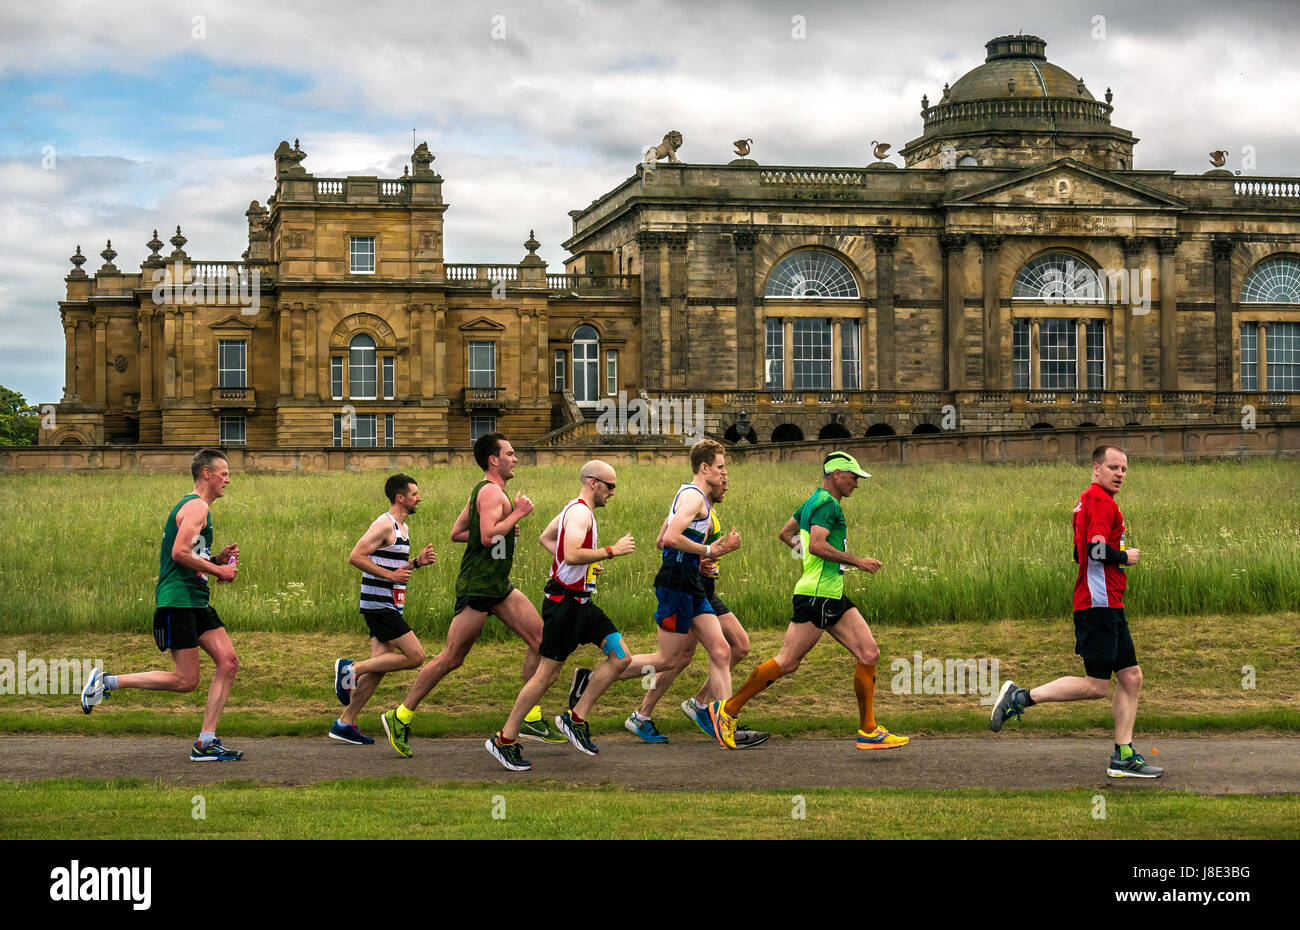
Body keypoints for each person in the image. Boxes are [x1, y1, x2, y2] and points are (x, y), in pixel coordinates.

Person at [709, 451, 909, 752]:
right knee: (788, 661)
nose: (857, 484)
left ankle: (869, 730)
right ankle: (727, 711)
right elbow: (816, 545)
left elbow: (785, 533)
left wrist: (812, 564)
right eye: (854, 478)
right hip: (818, 595)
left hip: (829, 593)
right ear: (837, 474)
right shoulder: (828, 504)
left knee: (869, 653)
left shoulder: (813, 500)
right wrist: (857, 561)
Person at [379, 432, 563, 757]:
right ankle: (400, 716)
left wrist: (507, 523)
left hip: (497, 587)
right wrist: (517, 514)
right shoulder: (491, 493)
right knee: (452, 657)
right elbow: (489, 536)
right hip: (478, 587)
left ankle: (531, 718)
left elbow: (459, 533)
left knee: (541, 640)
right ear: (494, 460)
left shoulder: (483, 491)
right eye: (509, 453)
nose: (515, 458)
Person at [990, 444, 1162, 778]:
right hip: (1099, 605)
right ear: (1096, 468)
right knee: (1096, 686)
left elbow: (1077, 553)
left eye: (1125, 469)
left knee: (1131, 677)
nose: (1120, 474)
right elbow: (1095, 551)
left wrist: (1110, 556)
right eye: (1114, 467)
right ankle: (1019, 697)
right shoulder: (1099, 501)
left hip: (1108, 602)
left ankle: (1123, 757)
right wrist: (1124, 557)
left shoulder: (1086, 502)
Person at [79, 449, 244, 761]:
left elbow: (190, 555)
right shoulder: (196, 507)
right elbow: (179, 553)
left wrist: (215, 559)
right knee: (185, 681)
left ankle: (205, 744)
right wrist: (220, 570)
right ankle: (108, 682)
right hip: (178, 602)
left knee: (229, 662)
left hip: (195, 601)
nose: (228, 479)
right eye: (223, 473)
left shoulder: (197, 507)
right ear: (206, 474)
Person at [590, 468, 769, 747]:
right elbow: (667, 542)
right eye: (723, 478)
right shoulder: (693, 502)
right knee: (674, 658)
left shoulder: (704, 509)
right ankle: (615, 693)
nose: (727, 484)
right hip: (685, 588)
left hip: (700, 589)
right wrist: (713, 552)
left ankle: (709, 713)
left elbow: (670, 542)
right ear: (708, 476)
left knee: (730, 648)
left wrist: (704, 563)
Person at [486, 461, 636, 770]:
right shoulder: (580, 512)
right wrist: (611, 551)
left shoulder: (573, 509)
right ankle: (504, 739)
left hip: (580, 603)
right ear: (593, 483)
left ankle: (575, 718)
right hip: (564, 604)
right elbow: (569, 553)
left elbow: (546, 539)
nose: (613, 492)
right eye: (610, 486)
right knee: (547, 674)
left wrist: (583, 566)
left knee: (621, 656)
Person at [330, 474, 436, 744]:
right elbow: (356, 556)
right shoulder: (384, 523)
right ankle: (351, 668)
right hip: (379, 604)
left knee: (379, 667)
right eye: (414, 494)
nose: (419, 498)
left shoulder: (403, 528)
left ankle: (344, 723)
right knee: (416, 656)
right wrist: (390, 578)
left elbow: (393, 568)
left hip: (389, 603)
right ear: (401, 498)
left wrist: (416, 563)